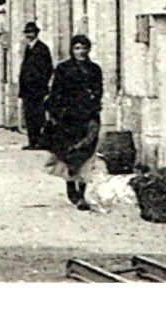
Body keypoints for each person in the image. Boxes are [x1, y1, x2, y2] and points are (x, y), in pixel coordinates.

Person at [43, 33, 103, 210]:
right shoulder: (63, 69)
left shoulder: (95, 69)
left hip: (88, 116)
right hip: (68, 118)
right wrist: (55, 114)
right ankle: (71, 188)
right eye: (77, 48)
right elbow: (56, 93)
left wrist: (94, 108)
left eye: (84, 48)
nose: (81, 51)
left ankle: (82, 193)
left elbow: (99, 91)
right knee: (69, 153)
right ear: (72, 50)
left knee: (87, 153)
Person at [16, 22, 53, 150]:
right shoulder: (29, 48)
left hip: (37, 89)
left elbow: (47, 69)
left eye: (31, 32)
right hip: (28, 89)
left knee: (38, 116)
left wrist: (41, 84)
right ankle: (32, 141)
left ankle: (39, 141)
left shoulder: (42, 48)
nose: (29, 35)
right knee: (29, 116)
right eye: (27, 32)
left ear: (36, 33)